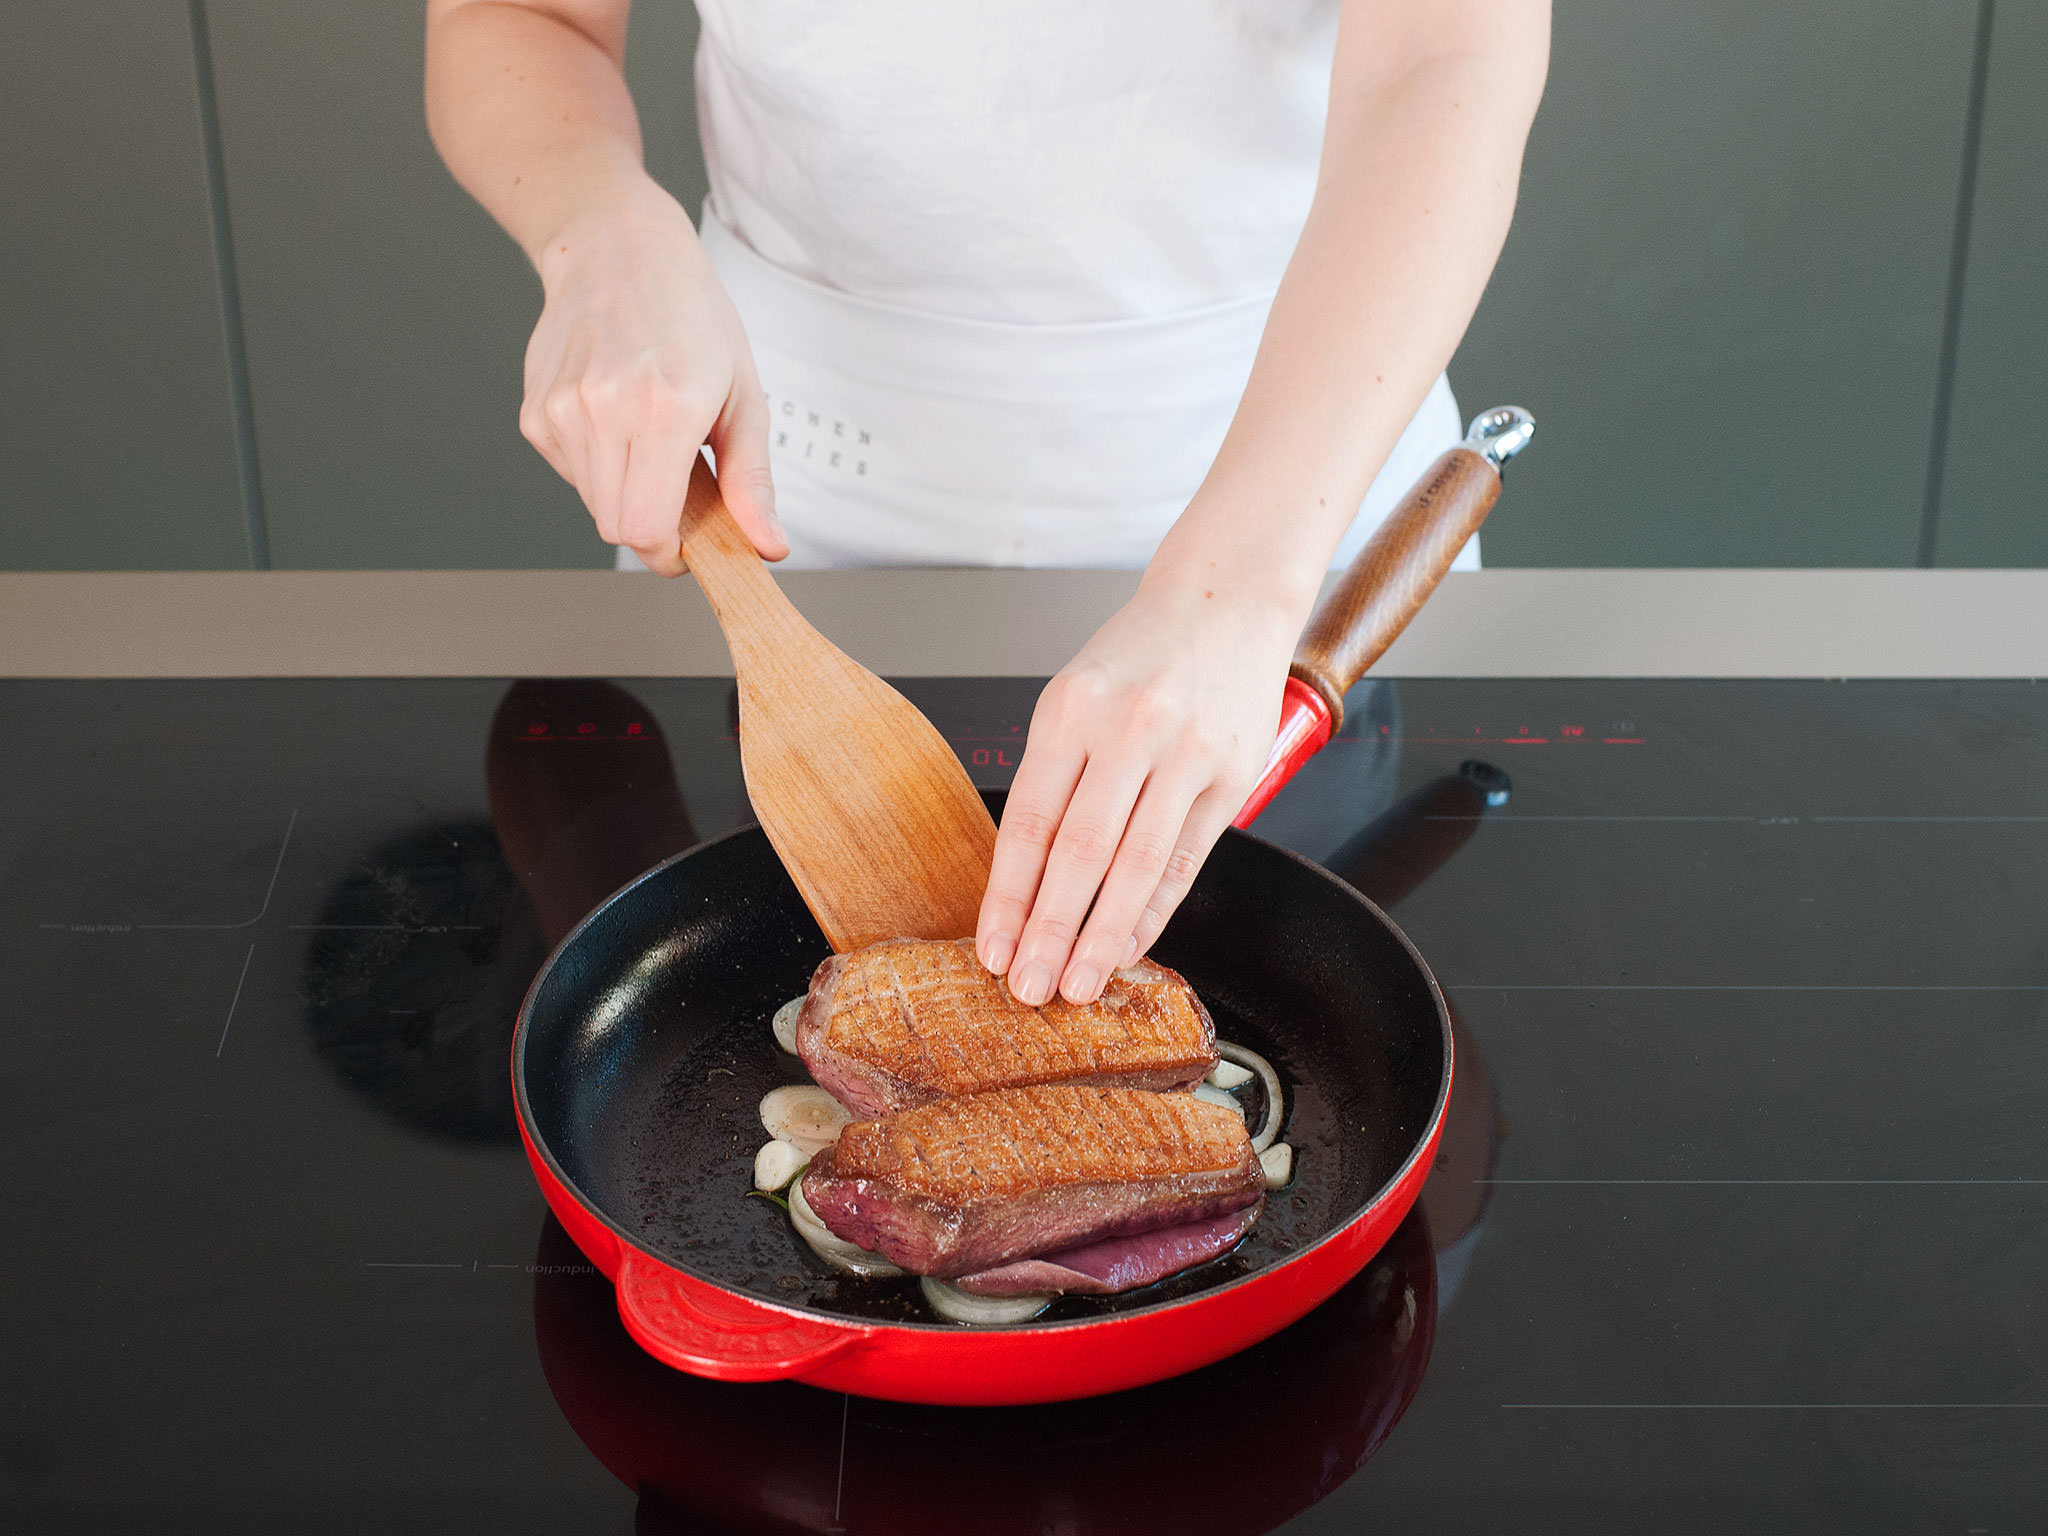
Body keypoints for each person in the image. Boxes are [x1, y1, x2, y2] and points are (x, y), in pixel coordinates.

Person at [425, 0, 1549, 1008]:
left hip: (1286, 485)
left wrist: (1235, 591)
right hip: (771, 468)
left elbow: (1446, 53)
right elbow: (519, 14)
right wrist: (603, 236)